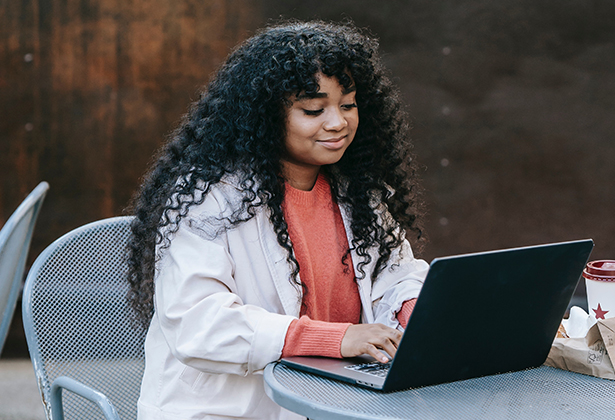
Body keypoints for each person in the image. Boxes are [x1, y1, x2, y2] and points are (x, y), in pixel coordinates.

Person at [126, 20, 429, 420]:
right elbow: (200, 325)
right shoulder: (210, 199)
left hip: (340, 397)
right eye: (313, 109)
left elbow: (395, 274)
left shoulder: (359, 192)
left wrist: (417, 309)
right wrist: (337, 339)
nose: (338, 122)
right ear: (266, 116)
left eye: (349, 104)